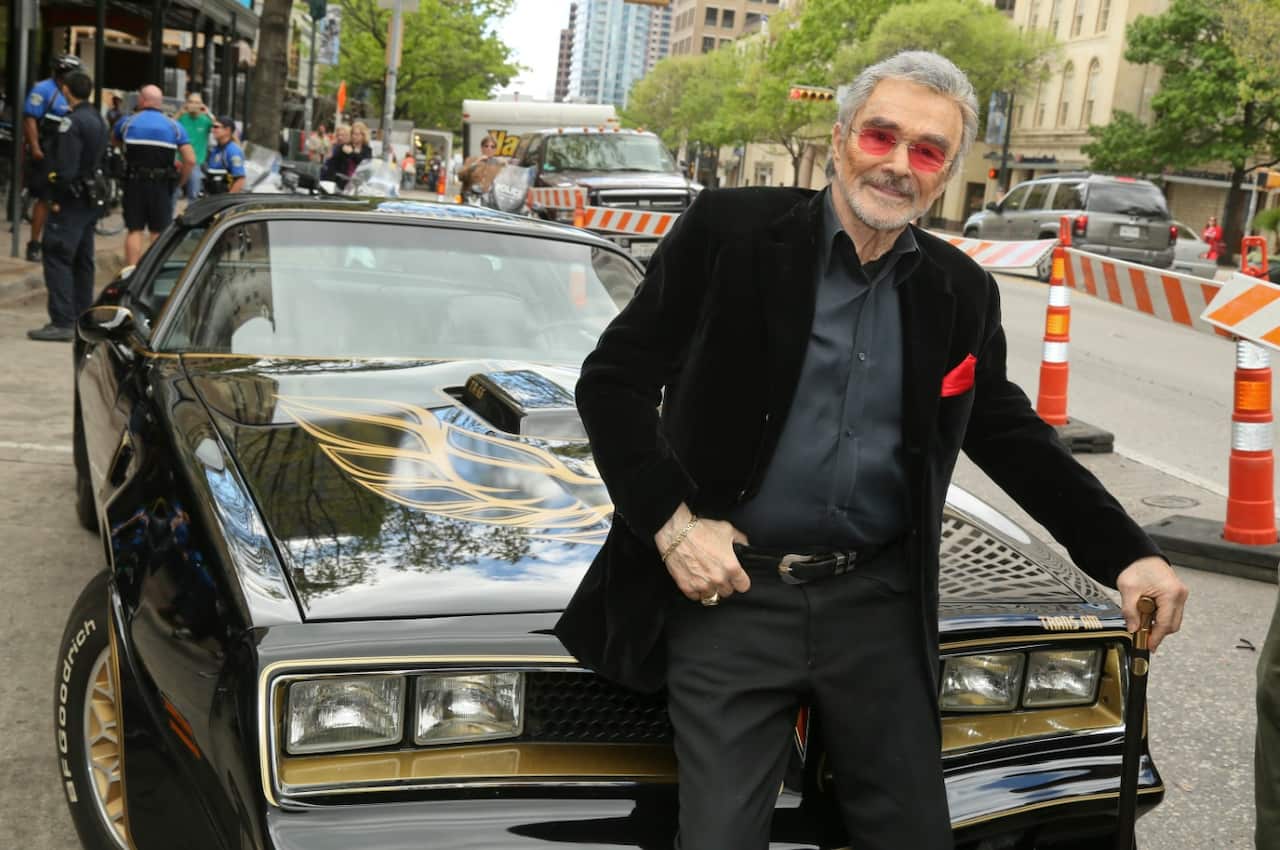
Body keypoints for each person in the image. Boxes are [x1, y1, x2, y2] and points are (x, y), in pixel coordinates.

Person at [556, 50, 1190, 850]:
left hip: (879, 605)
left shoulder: (960, 289)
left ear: (949, 174)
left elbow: (1005, 428)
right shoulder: (730, 233)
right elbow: (612, 382)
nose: (897, 164)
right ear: (839, 137)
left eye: (926, 151)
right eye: (880, 136)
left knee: (914, 833)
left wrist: (1127, 554)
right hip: (731, 595)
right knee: (718, 836)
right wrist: (674, 526)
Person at [26, 70, 108, 342]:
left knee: (57, 253)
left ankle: (61, 320)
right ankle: (81, 316)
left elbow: (66, 167)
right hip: (90, 198)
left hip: (70, 199)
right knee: (83, 259)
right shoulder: (97, 118)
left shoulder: (71, 122)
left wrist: (55, 196)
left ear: (66, 91)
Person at [113, 84, 195, 266]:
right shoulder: (174, 127)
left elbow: (115, 144)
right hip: (162, 185)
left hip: (134, 182)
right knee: (158, 232)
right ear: (160, 103)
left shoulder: (126, 123)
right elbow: (190, 160)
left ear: (142, 100)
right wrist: (180, 182)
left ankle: (131, 271)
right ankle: (151, 272)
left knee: (134, 230)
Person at [21, 54, 81, 262]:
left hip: (66, 150)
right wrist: (36, 147)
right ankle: (34, 243)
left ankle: (56, 243)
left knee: (65, 198)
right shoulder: (43, 90)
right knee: (45, 198)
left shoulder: (74, 92)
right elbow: (30, 119)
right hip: (47, 149)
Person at [175, 92, 213, 203]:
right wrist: (180, 113)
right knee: (174, 192)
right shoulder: (182, 118)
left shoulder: (205, 120)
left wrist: (208, 113)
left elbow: (219, 128)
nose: (193, 105)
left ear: (201, 105)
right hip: (179, 161)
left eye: (197, 102)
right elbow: (169, 126)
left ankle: (192, 219)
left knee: (194, 194)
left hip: (196, 162)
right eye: (191, 102)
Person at [204, 116, 246, 195]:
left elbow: (240, 179)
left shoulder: (233, 150)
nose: (213, 130)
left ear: (227, 130)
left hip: (222, 199)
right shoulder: (215, 149)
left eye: (216, 127)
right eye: (212, 127)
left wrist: (227, 200)